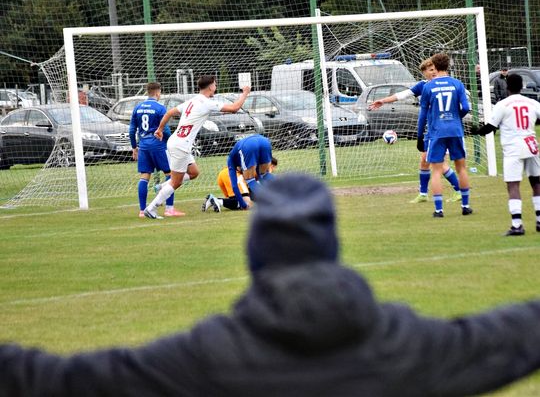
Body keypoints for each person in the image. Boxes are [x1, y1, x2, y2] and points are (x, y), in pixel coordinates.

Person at [2, 173, 540, 397]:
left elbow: (57, 381)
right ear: (330, 246)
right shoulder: (403, 344)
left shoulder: (209, 355)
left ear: (256, 254)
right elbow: (514, 335)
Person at [143, 75, 251, 219]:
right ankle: (151, 208)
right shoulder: (206, 102)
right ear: (210, 86)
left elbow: (169, 113)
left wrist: (160, 129)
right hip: (181, 145)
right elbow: (235, 108)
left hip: (177, 142)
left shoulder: (192, 101)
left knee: (194, 172)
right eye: (215, 84)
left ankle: (163, 187)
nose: (216, 87)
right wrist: (245, 92)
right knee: (176, 182)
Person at [369, 58, 461, 204]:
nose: (434, 72)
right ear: (424, 73)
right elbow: (401, 95)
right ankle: (423, 194)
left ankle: (459, 190)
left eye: (434, 69)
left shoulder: (448, 84)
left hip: (442, 130)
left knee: (438, 162)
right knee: (425, 161)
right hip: (431, 131)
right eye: (430, 70)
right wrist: (383, 101)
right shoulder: (423, 86)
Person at [474, 74, 540, 235]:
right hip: (531, 144)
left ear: (507, 87)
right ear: (522, 86)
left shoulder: (503, 104)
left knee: (513, 184)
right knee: (536, 182)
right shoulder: (532, 103)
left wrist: (476, 131)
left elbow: (490, 127)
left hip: (513, 147)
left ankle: (517, 225)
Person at [418, 53, 471, 218]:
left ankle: (439, 210)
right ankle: (465, 206)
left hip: (437, 132)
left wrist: (419, 136)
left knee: (436, 170)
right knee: (461, 168)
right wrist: (456, 117)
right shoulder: (457, 84)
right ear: (448, 65)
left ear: (434, 65)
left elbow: (422, 114)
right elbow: (466, 107)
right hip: (455, 130)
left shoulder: (428, 87)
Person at [129, 82, 184, 218]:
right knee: (170, 174)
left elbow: (132, 130)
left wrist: (134, 147)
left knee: (144, 176)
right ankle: (169, 209)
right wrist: (172, 141)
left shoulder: (137, 108)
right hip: (158, 146)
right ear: (158, 93)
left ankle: (142, 211)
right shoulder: (160, 108)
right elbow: (165, 130)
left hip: (143, 146)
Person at [203, 157, 278, 212]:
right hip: (233, 174)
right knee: (246, 204)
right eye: (273, 167)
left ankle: (212, 199)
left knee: (237, 200)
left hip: (224, 174)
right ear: (270, 164)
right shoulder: (261, 169)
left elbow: (252, 191)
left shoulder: (255, 165)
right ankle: (218, 201)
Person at [226, 133, 274, 210]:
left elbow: (234, 186)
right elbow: (260, 177)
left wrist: (243, 205)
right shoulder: (239, 158)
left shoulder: (231, 160)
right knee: (264, 175)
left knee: (249, 179)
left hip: (248, 145)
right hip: (264, 141)